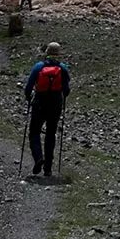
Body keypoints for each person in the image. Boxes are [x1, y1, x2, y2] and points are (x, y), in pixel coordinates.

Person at [23, 41, 70, 177]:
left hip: (40, 102)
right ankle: (48, 168)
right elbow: (66, 90)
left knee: (34, 132)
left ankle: (38, 158)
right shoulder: (63, 68)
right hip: (55, 104)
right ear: (59, 55)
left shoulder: (38, 67)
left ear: (46, 53)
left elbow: (28, 87)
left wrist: (28, 97)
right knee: (50, 134)